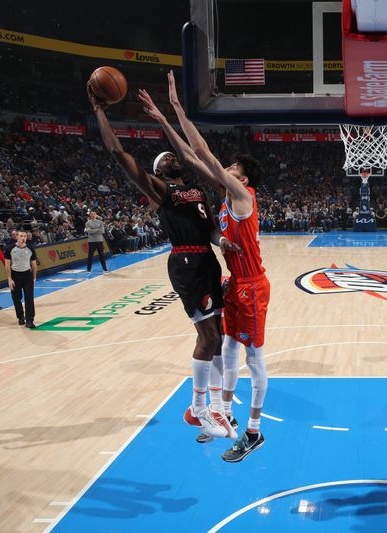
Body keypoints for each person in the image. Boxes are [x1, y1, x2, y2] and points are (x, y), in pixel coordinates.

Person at [87, 81, 238, 440]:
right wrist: (99, 111)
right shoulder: (160, 190)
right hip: (185, 263)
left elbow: (212, 230)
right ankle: (198, 409)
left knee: (219, 337)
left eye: (170, 157)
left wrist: (224, 242)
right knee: (208, 336)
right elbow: (119, 156)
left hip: (207, 259)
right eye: (162, 159)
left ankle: (215, 405)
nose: (168, 158)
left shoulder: (199, 189)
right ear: (158, 170)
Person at [140, 73, 271, 461]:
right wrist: (172, 114)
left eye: (231, 166)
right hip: (235, 282)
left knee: (253, 358)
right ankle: (221, 411)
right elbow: (197, 154)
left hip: (253, 285)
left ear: (242, 178)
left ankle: (254, 430)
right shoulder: (226, 196)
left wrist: (173, 114)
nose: (224, 168)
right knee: (226, 349)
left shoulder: (242, 194)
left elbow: (202, 153)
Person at [4, 230, 37, 328]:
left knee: (29, 298)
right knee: (16, 298)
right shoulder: (10, 249)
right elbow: (7, 265)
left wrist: (34, 278)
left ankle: (30, 320)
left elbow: (34, 265)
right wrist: (9, 279)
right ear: (17, 237)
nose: (23, 238)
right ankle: (20, 317)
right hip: (15, 275)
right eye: (21, 236)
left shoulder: (31, 249)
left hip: (27, 275)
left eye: (25, 236)